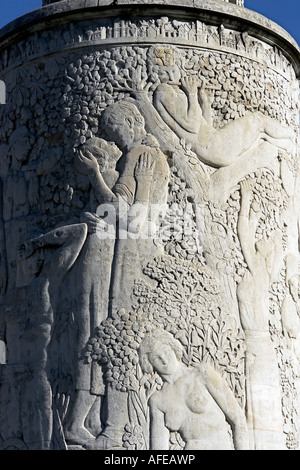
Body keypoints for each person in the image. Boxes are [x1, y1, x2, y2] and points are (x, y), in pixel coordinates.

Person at [0, 223, 87, 450]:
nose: (39, 258)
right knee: (8, 441)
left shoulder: (44, 285)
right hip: (10, 378)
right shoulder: (7, 299)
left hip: (35, 376)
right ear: (18, 257)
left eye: (41, 254)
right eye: (32, 254)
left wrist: (38, 242)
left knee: (39, 441)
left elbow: (79, 233)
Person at [152, 62, 295, 168]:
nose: (172, 75)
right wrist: (192, 93)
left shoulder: (172, 92)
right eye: (165, 72)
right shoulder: (164, 91)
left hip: (215, 146)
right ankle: (291, 132)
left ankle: (289, 145)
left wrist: (206, 103)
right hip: (216, 147)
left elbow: (204, 128)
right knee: (258, 119)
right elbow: (193, 126)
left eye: (173, 70)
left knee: (261, 135)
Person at [138, 328, 249, 450]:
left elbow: (238, 419)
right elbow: (158, 449)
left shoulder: (202, 374)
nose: (164, 360)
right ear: (149, 364)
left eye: (166, 351)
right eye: (156, 358)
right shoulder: (158, 400)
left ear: (173, 348)